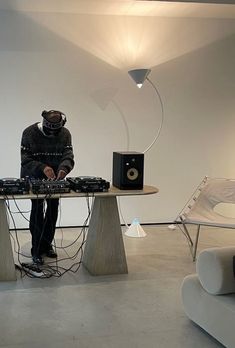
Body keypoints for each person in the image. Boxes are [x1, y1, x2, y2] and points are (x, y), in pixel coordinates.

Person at [20, 110, 74, 265]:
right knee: (37, 211)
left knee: (52, 211)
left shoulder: (65, 134)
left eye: (54, 133)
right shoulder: (29, 133)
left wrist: (64, 169)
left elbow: (68, 155)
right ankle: (36, 249)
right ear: (43, 123)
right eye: (48, 132)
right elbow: (25, 159)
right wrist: (43, 167)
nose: (51, 136)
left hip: (55, 178)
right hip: (33, 176)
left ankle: (46, 244)